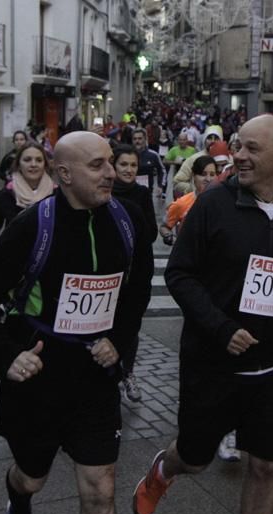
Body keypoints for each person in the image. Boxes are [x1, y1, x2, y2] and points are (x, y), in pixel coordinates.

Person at [132, 114, 273, 514]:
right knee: (195, 457)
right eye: (237, 146)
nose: (237, 155)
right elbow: (180, 273)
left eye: (250, 149)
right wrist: (221, 328)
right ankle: (162, 472)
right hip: (213, 362)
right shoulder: (213, 204)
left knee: (267, 466)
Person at [0, 131, 154, 514]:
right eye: (96, 165)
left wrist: (117, 341)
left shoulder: (128, 219)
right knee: (32, 478)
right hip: (38, 380)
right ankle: (18, 500)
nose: (110, 174)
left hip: (95, 380)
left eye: (110, 162)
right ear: (64, 173)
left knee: (101, 490)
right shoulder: (29, 228)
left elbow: (137, 293)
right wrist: (8, 356)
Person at [110, 143, 158, 403]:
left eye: (133, 166)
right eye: (124, 165)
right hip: (109, 270)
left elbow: (150, 232)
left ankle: (128, 372)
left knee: (130, 325)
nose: (129, 170)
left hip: (135, 270)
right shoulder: (104, 190)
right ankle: (110, 374)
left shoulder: (141, 193)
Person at [0, 142, 55, 265]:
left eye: (39, 160)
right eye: (27, 160)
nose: (33, 164)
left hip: (49, 267)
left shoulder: (57, 195)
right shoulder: (5, 196)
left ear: (45, 164)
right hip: (13, 265)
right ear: (18, 165)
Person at [158, 155, 217, 246]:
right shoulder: (182, 203)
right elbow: (164, 227)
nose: (208, 179)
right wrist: (170, 237)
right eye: (203, 174)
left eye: (212, 174)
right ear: (193, 176)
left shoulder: (223, 202)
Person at [172, 125, 223, 196]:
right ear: (204, 140)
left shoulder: (228, 160)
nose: (212, 141)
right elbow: (177, 182)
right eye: (209, 138)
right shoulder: (194, 158)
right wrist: (195, 188)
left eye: (216, 138)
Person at [132, 129, 166, 195]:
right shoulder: (127, 154)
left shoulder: (153, 155)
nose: (137, 141)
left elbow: (162, 170)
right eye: (134, 139)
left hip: (147, 192)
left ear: (145, 139)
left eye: (140, 138)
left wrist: (160, 186)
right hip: (130, 191)